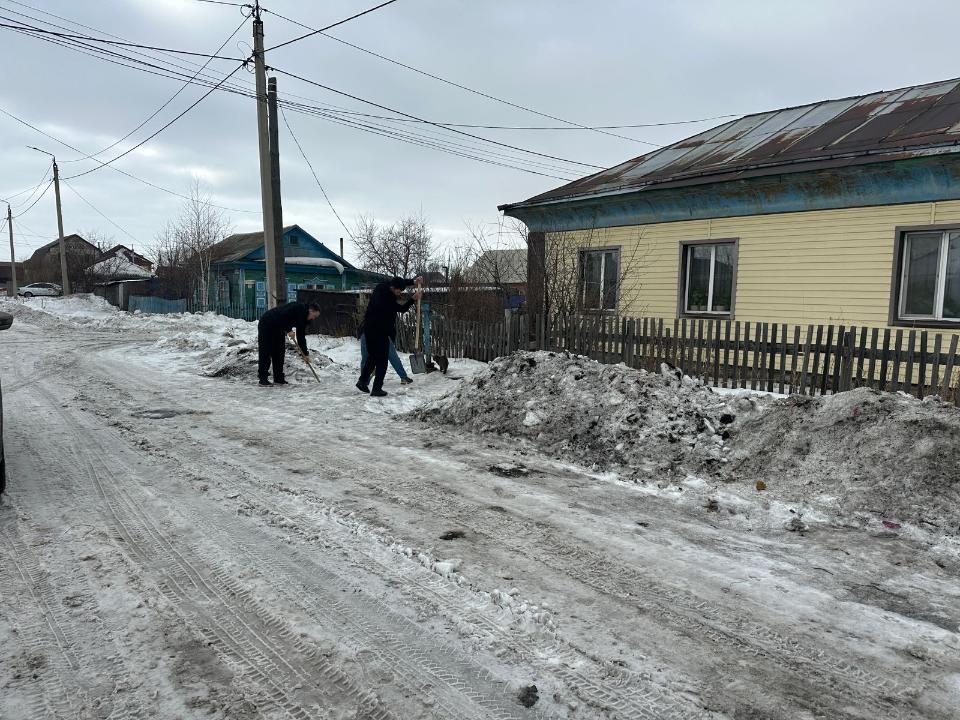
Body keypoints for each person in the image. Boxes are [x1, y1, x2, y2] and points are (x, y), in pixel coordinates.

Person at [357, 276, 421, 397]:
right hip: (380, 331)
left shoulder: (381, 287)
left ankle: (362, 381)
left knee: (372, 357)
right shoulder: (387, 298)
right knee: (382, 361)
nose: (399, 293)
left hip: (368, 329)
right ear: (393, 288)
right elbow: (402, 309)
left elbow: (398, 282)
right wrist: (413, 299)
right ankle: (377, 388)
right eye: (399, 291)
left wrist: (413, 281)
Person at [257, 301, 321, 386]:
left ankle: (278, 378)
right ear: (311, 310)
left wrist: (305, 354)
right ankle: (263, 379)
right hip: (267, 323)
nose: (313, 319)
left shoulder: (304, 319)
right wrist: (289, 330)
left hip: (279, 328)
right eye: (314, 316)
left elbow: (301, 336)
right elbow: (283, 316)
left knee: (279, 352)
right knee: (266, 351)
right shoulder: (298, 307)